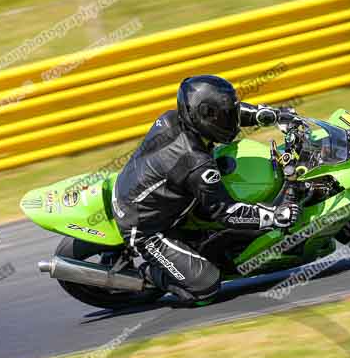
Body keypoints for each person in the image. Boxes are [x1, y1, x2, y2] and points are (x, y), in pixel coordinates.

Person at [113, 75, 301, 304]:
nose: (229, 121)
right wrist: (274, 216)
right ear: (201, 116)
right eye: (222, 116)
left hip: (144, 190)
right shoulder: (197, 163)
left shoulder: (174, 118)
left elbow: (234, 112)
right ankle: (146, 275)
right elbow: (227, 213)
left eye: (227, 113)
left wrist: (273, 115)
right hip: (144, 227)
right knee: (205, 288)